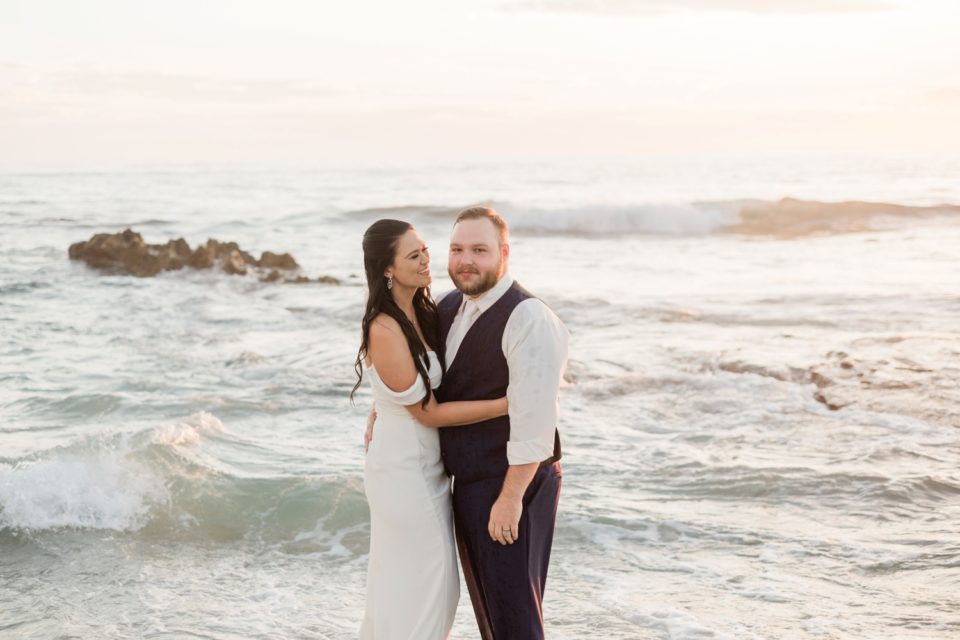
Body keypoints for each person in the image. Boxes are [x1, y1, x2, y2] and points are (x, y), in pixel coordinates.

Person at [351, 218, 508, 640]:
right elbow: (427, 413)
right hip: (402, 471)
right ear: (387, 268)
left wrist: (379, 403)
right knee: (427, 585)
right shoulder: (383, 327)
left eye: (425, 250)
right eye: (413, 255)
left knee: (428, 586)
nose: (426, 261)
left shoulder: (426, 309)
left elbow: (407, 383)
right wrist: (507, 404)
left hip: (428, 467)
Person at [437, 206, 567, 640]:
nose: (465, 260)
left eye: (479, 250)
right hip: (471, 483)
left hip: (514, 483)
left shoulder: (528, 317)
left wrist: (511, 497)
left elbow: (536, 419)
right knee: (491, 613)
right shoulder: (450, 305)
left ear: (504, 254)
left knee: (515, 619)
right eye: (457, 249)